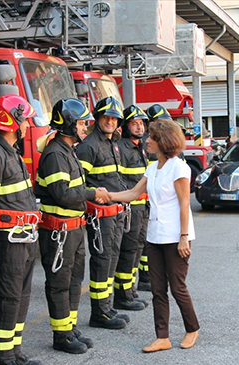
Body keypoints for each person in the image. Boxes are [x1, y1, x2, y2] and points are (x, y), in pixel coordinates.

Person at [109, 119, 200, 353]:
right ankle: (163, 337)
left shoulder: (179, 167)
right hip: (155, 236)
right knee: (158, 290)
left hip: (176, 236)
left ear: (164, 141)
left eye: (152, 137)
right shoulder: (152, 168)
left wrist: (183, 237)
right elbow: (132, 194)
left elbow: (184, 204)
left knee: (177, 287)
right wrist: (105, 195)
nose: (147, 140)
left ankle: (192, 329)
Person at [34, 98, 109, 354]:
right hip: (59, 232)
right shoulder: (55, 154)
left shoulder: (67, 151)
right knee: (59, 283)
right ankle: (61, 336)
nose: (85, 126)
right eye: (81, 122)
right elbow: (63, 194)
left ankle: (70, 328)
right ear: (68, 124)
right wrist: (91, 194)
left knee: (75, 280)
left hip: (72, 230)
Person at [0, 95, 41, 365]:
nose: (28, 123)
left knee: (22, 296)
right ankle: (3, 356)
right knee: (8, 296)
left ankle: (14, 351)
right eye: (24, 118)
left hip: (25, 237)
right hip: (9, 239)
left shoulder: (11, 152)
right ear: (12, 120)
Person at [77, 96, 130, 330]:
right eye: (106, 117)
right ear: (97, 118)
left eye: (114, 118)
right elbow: (80, 184)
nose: (110, 121)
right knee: (102, 259)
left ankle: (107, 306)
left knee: (112, 258)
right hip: (100, 216)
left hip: (115, 212)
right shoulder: (89, 146)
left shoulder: (112, 143)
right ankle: (99, 312)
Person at [115, 105, 151, 310]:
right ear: (126, 126)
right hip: (130, 209)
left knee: (137, 250)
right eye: (134, 123)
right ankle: (122, 295)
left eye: (141, 123)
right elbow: (119, 180)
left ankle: (131, 291)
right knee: (128, 252)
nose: (139, 127)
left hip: (142, 208)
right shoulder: (122, 148)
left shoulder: (140, 146)